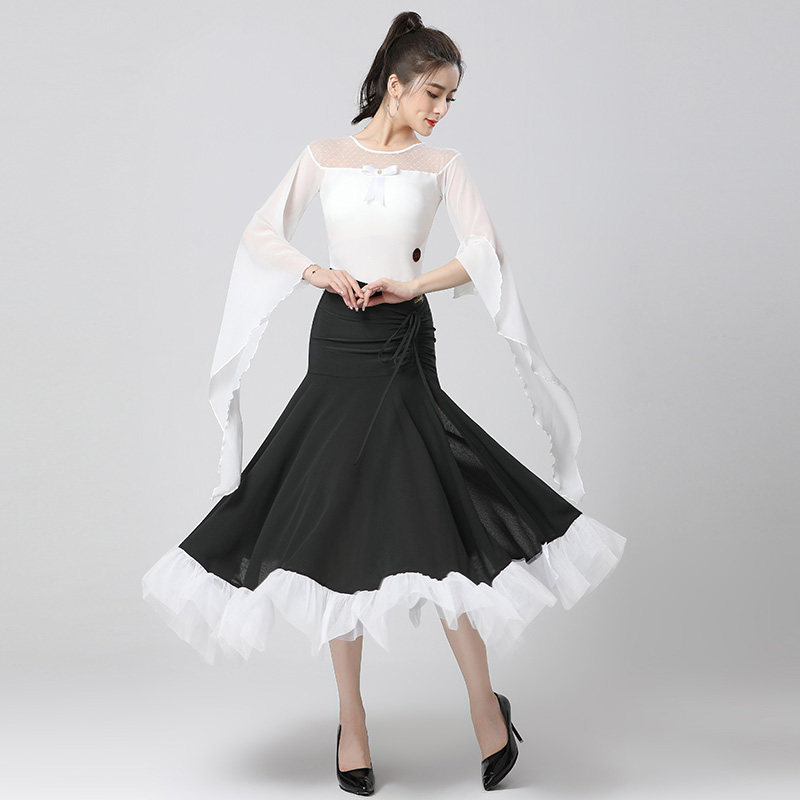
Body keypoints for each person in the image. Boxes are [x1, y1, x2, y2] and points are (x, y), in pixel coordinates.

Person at [141, 11, 627, 794]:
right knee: (337, 524)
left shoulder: (442, 164)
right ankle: (353, 725)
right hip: (338, 341)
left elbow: (485, 252)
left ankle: (486, 711)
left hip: (401, 341)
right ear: (395, 86)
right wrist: (316, 272)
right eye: (433, 93)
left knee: (432, 517)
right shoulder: (324, 156)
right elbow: (261, 232)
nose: (442, 109)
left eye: (451, 98)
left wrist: (415, 282)